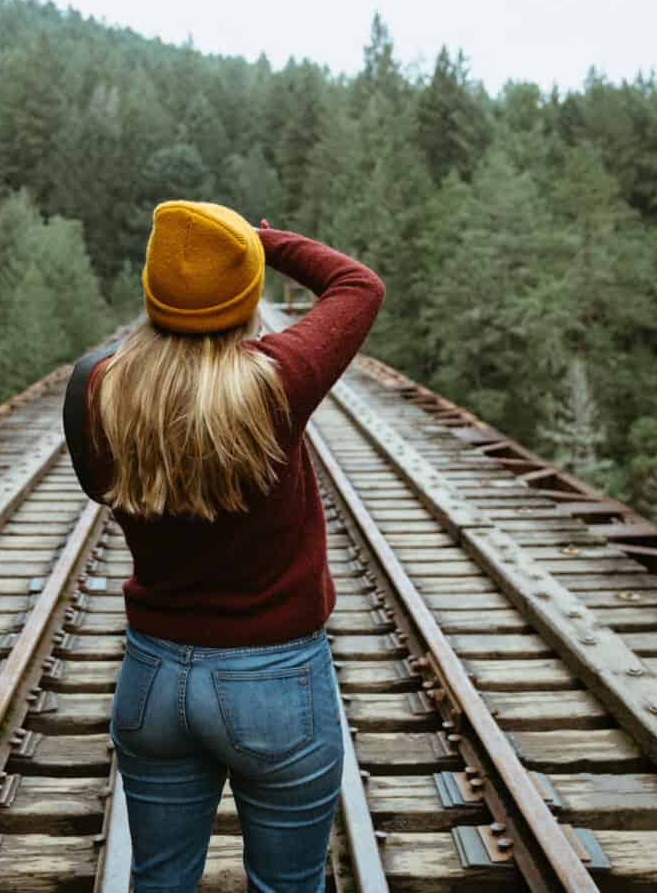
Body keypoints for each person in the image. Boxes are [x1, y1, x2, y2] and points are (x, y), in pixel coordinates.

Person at [67, 199, 385, 892]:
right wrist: (261, 239)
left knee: (158, 882)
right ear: (245, 296)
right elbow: (359, 286)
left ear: (154, 292)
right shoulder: (278, 382)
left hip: (152, 680)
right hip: (275, 683)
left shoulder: (98, 387)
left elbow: (99, 487)